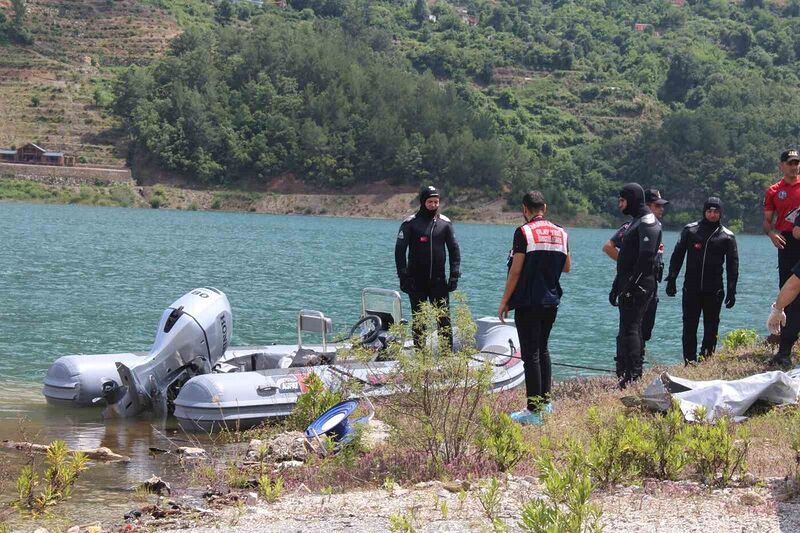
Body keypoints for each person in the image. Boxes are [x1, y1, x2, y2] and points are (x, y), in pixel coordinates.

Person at [498, 191, 570, 425]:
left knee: (531, 355)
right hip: (551, 300)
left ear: (525, 209)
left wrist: (505, 301)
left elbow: (515, 270)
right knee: (543, 350)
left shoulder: (523, 231)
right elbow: (567, 266)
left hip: (528, 301)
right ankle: (546, 403)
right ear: (545, 207)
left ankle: (533, 411)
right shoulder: (561, 232)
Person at [665, 197, 739, 363]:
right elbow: (677, 255)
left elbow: (732, 267)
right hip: (690, 289)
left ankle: (706, 359)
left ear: (721, 213)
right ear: (704, 212)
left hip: (714, 290)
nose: (712, 214)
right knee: (689, 326)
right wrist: (671, 278)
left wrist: (732, 291)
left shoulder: (727, 236)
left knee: (711, 328)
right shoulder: (691, 230)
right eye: (709, 211)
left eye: (716, 212)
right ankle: (689, 361)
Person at [602, 189, 668, 358]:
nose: (661, 209)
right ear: (646, 205)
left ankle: (637, 362)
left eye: (662, 206)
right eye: (657, 205)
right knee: (629, 327)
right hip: (636, 281)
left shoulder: (654, 226)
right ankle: (627, 367)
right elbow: (608, 246)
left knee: (645, 329)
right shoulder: (632, 226)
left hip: (651, 283)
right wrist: (626, 266)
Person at [609, 183, 662, 388]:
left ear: (631, 199)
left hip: (640, 285)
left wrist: (632, 285)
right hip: (629, 283)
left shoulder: (648, 221)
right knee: (626, 328)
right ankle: (625, 373)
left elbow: (646, 258)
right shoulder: (636, 222)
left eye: (622, 201)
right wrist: (617, 285)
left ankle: (634, 376)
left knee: (632, 329)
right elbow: (627, 259)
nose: (620, 205)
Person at [395, 185, 461, 349]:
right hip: (416, 282)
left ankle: (446, 356)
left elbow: (454, 250)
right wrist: (403, 277)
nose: (433, 205)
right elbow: (399, 252)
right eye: (430, 202)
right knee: (419, 320)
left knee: (444, 319)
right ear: (423, 202)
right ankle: (420, 356)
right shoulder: (411, 223)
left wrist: (454, 275)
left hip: (439, 282)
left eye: (436, 202)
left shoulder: (444, 224)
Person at [764, 148, 800, 367]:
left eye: (797, 162)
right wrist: (771, 233)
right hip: (786, 243)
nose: (794, 166)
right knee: (788, 296)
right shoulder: (774, 191)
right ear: (781, 165)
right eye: (790, 162)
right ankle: (784, 348)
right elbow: (767, 221)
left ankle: (785, 348)